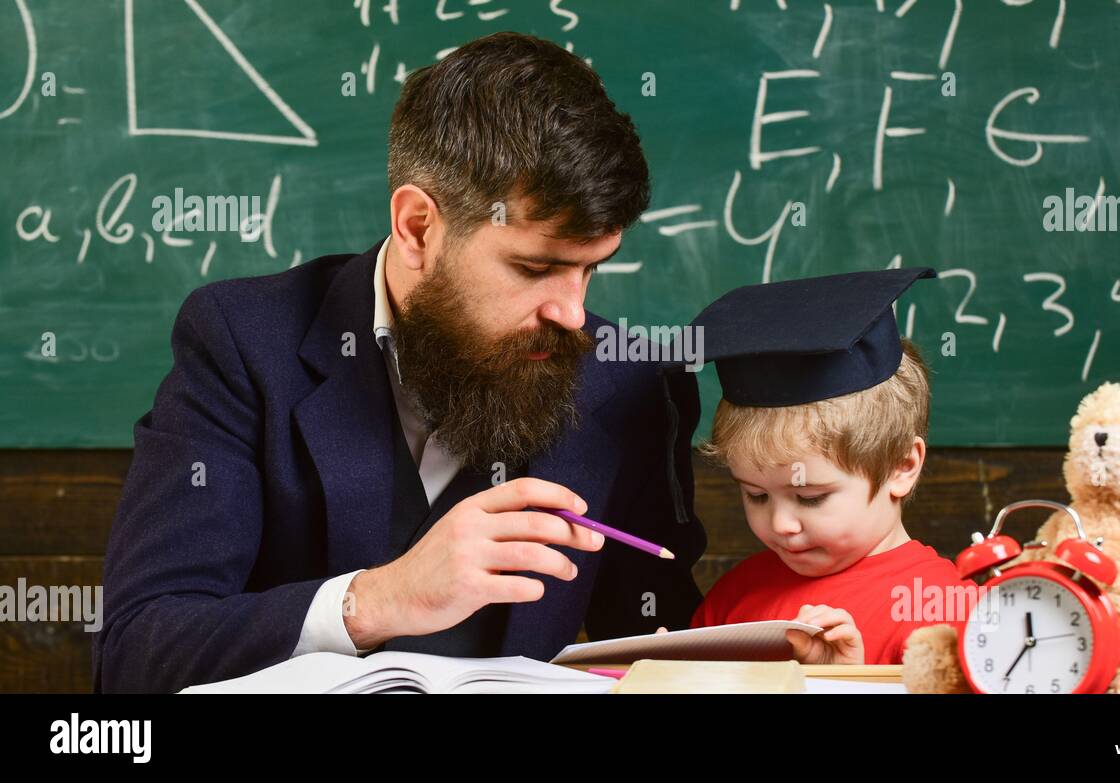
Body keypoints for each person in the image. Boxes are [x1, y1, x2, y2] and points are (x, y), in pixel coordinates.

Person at [92, 32, 706, 693]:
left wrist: (787, 639)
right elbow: (134, 657)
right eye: (534, 267)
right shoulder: (242, 343)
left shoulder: (631, 382)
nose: (573, 314)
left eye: (591, 269)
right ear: (417, 227)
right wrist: (379, 598)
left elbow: (661, 645)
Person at [663, 268, 978, 665]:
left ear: (902, 467)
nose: (780, 524)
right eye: (756, 495)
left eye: (809, 498)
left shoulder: (945, 610)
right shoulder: (735, 596)